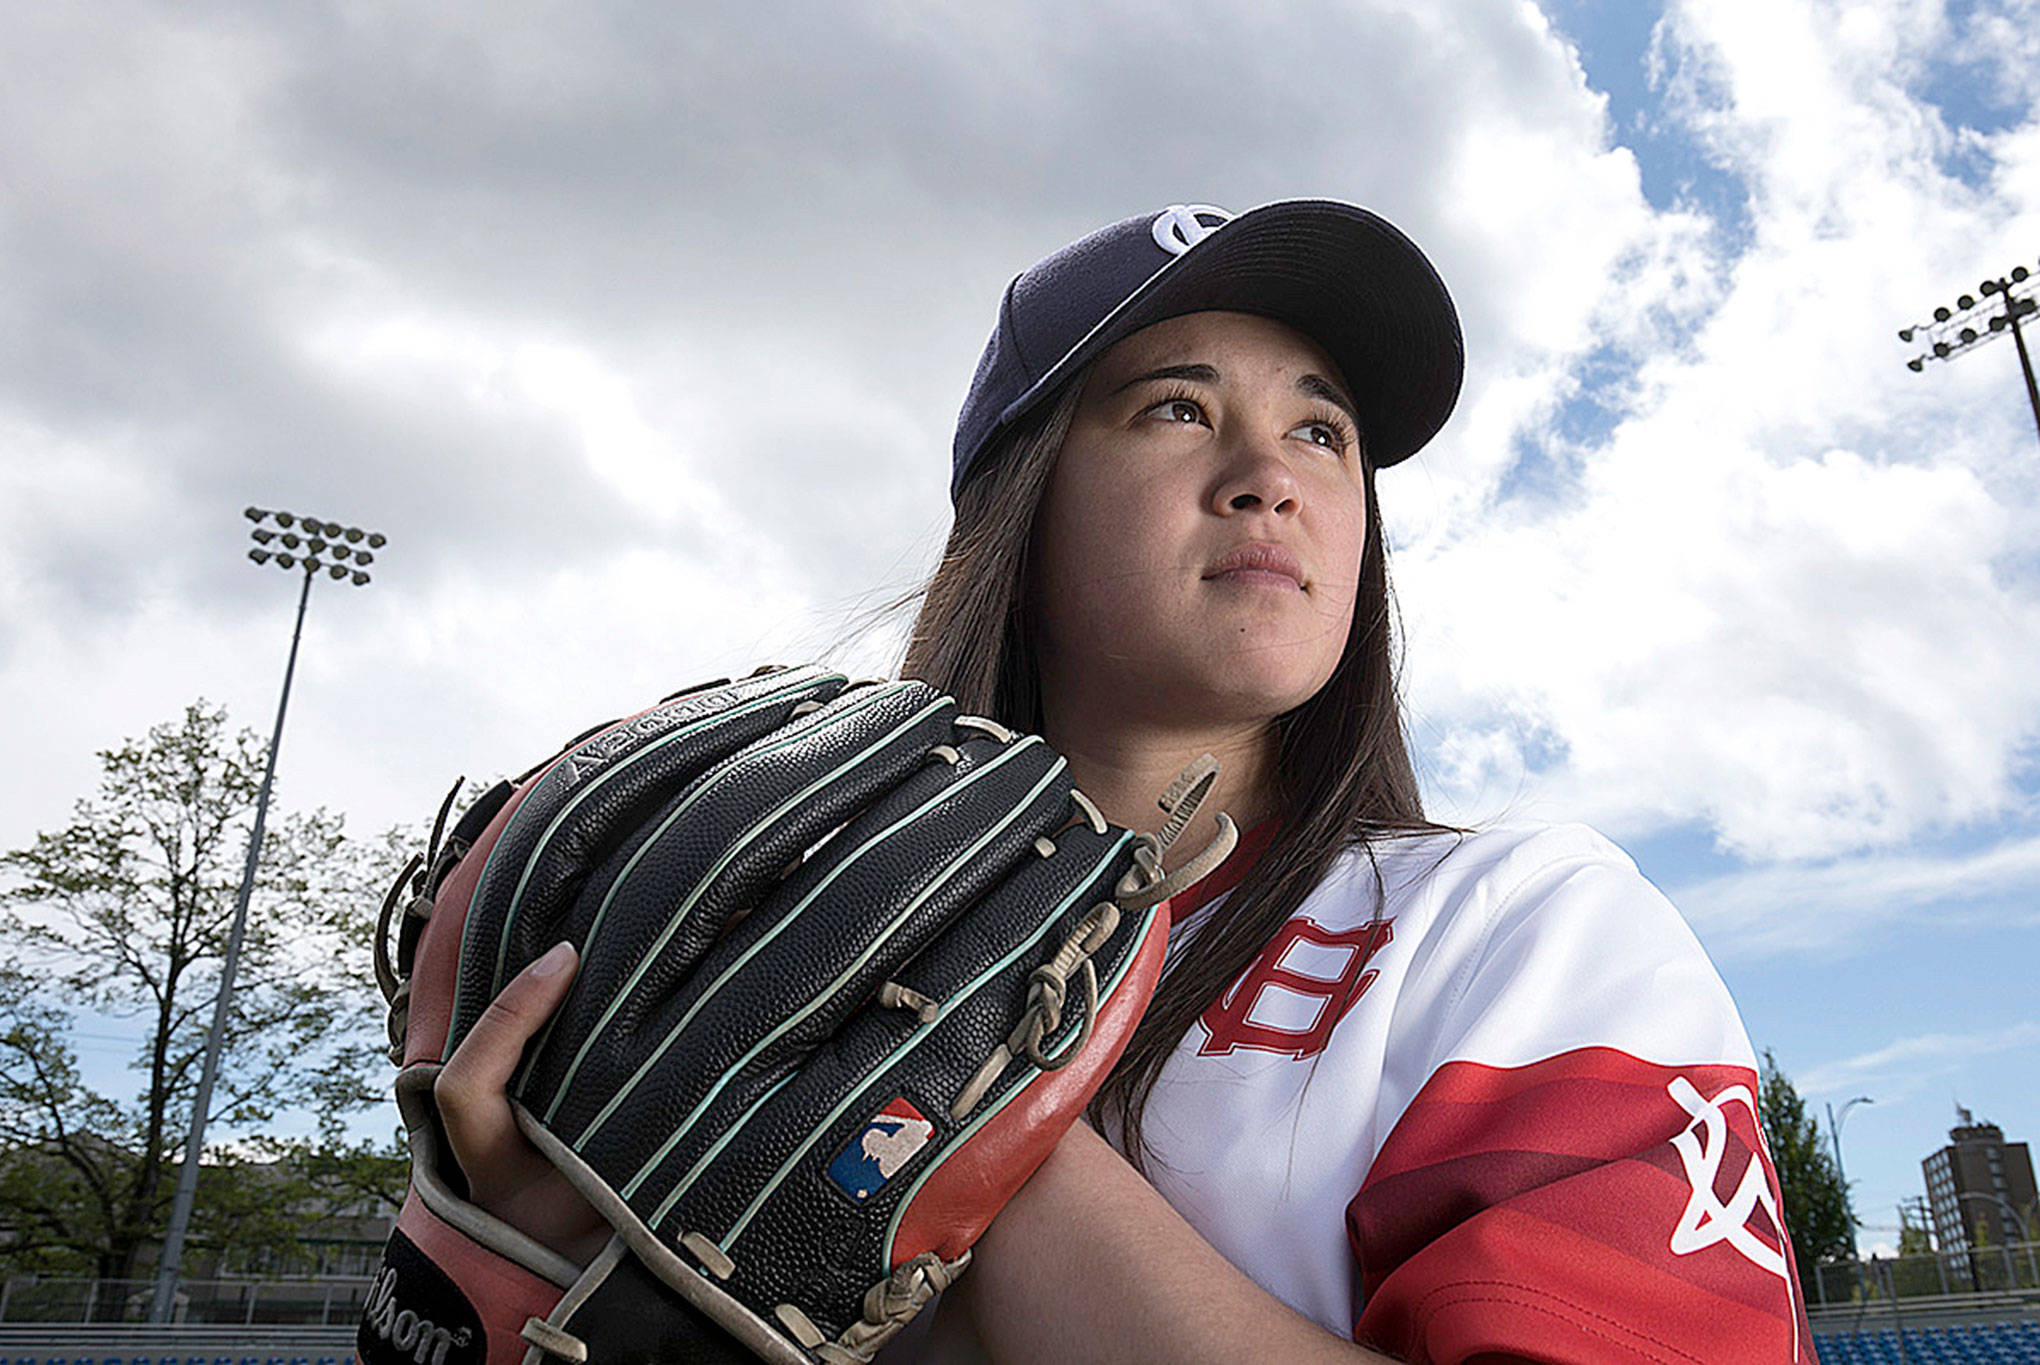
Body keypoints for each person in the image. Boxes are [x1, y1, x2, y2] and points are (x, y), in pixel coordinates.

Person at [434, 200, 1817, 1362]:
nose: (1268, 474)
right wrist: (536, 1265)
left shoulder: (1519, 926)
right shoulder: (730, 902)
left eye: (1323, 432)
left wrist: (907, 1117)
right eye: (1174, 407)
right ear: (1021, 507)